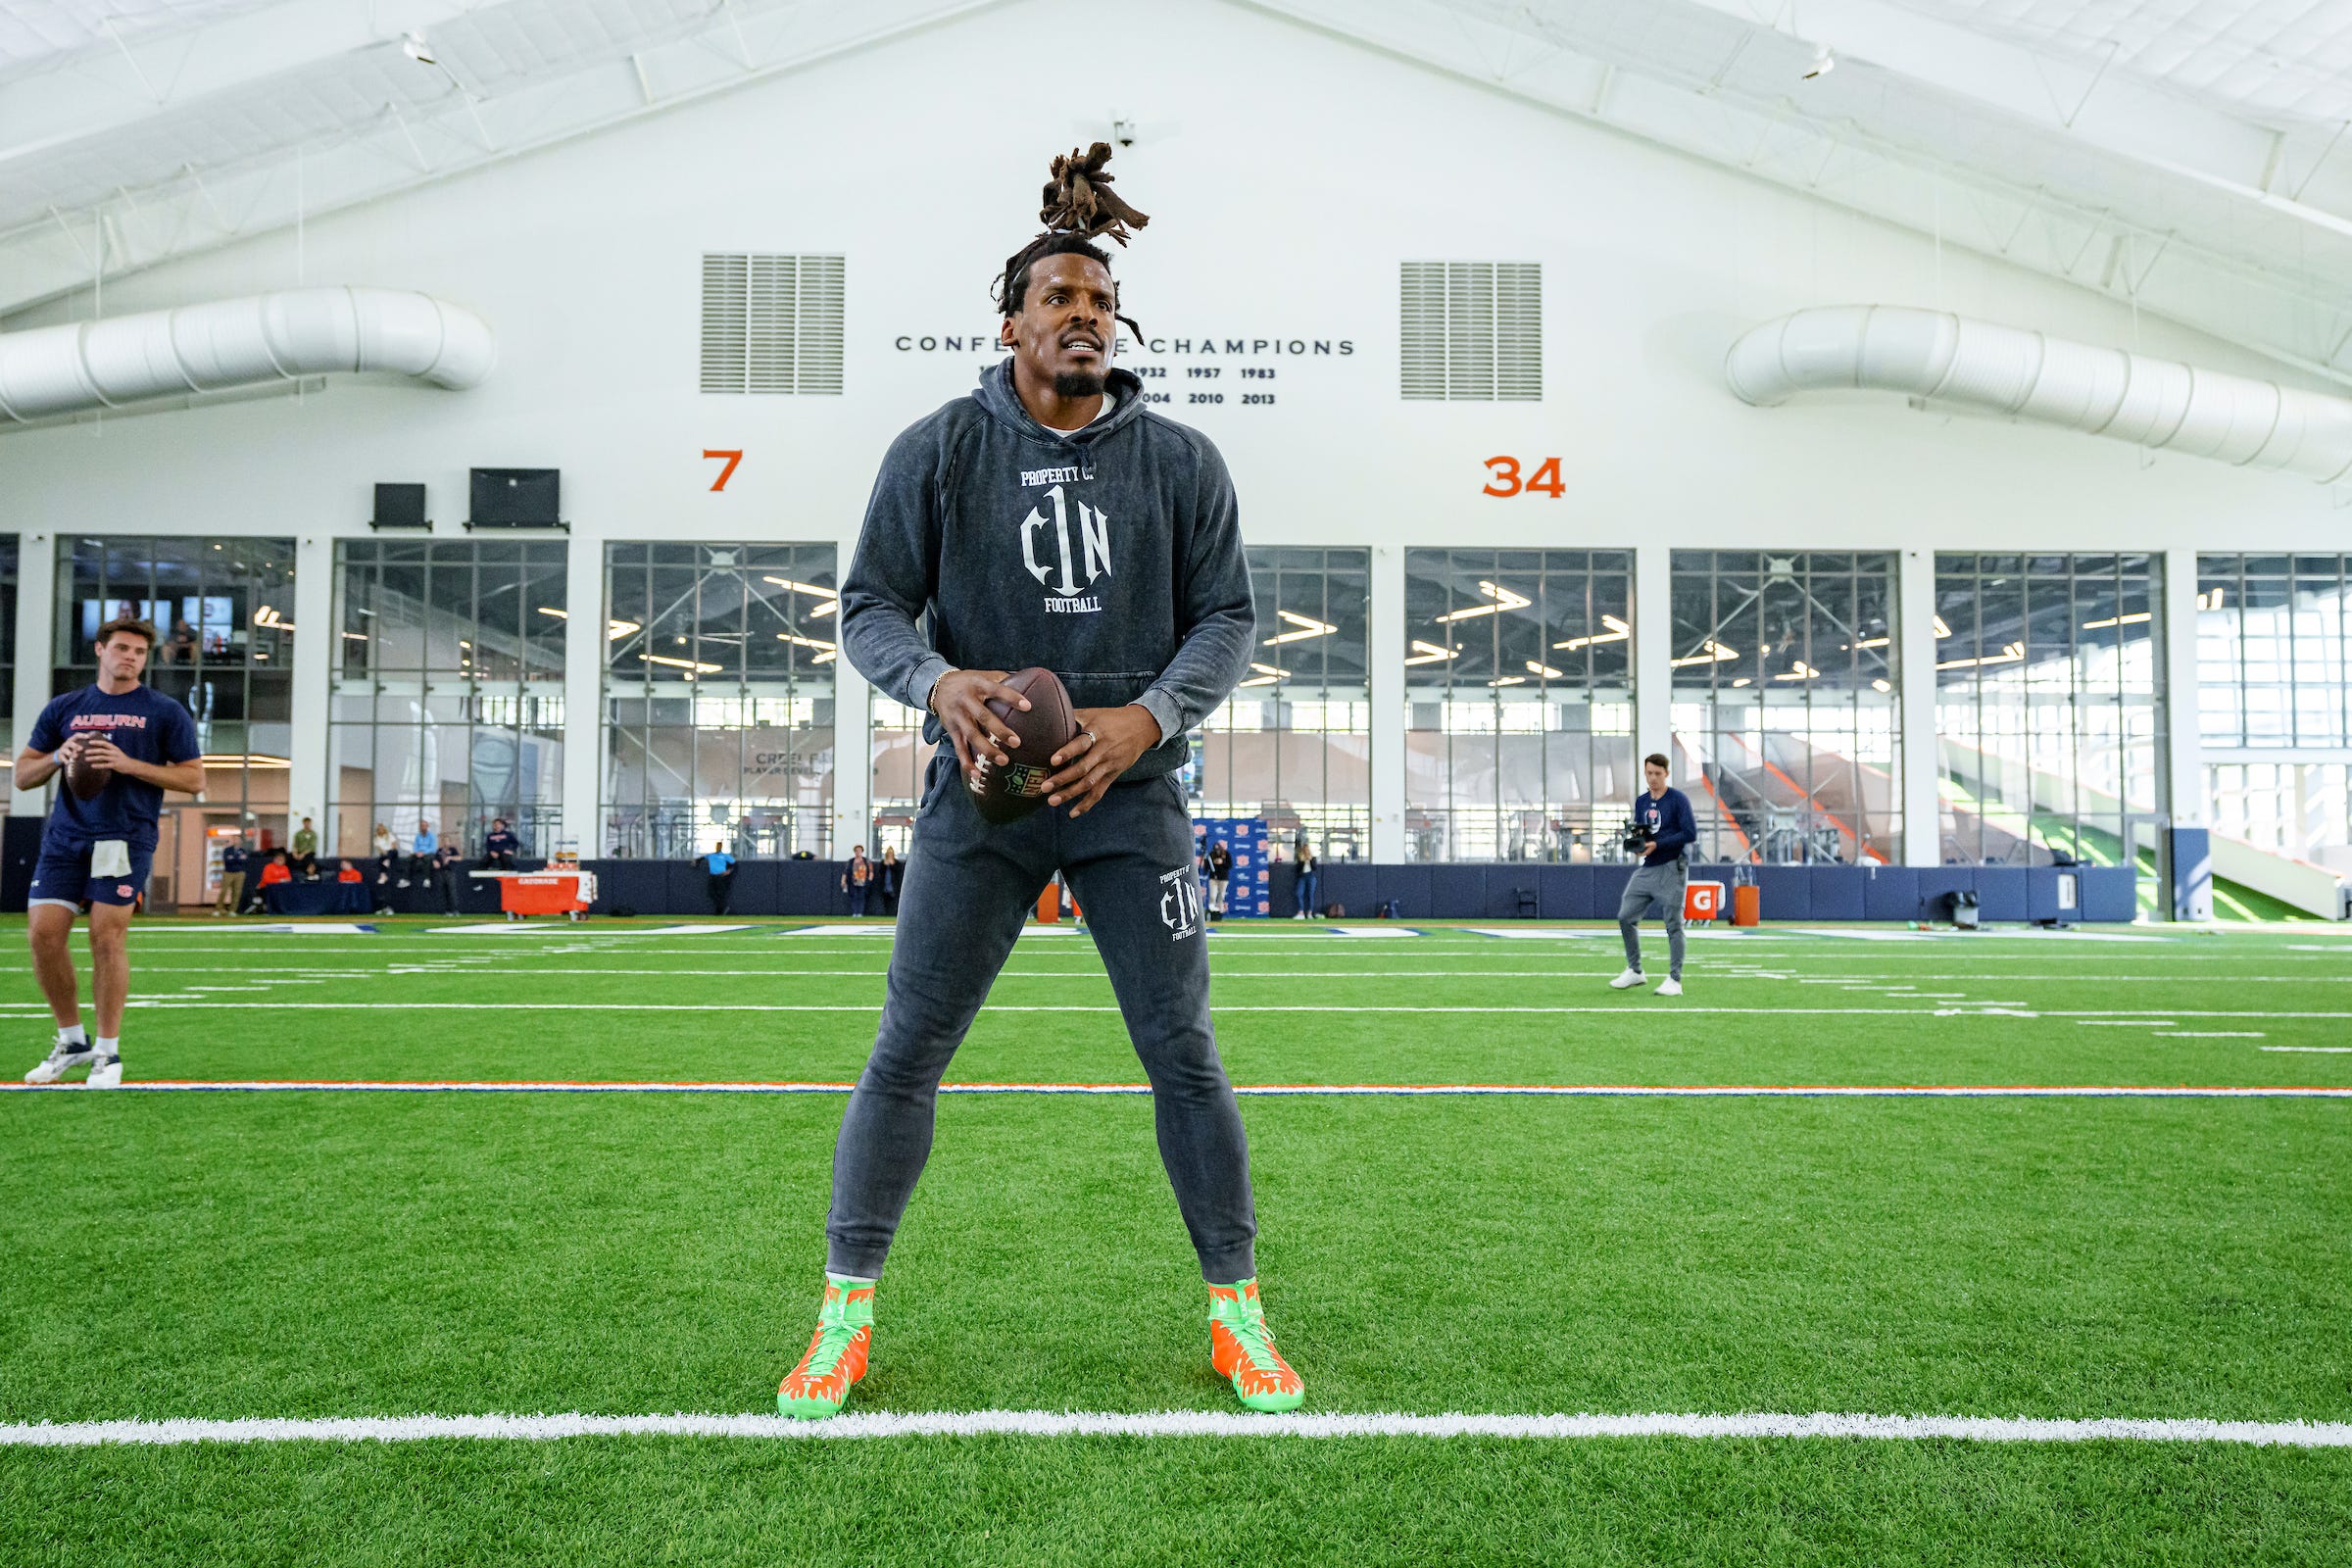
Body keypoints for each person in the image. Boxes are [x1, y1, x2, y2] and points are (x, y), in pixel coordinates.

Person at [776, 146, 1299, 1424]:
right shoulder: (940, 450)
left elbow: (1228, 619)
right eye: (1057, 297)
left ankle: (1238, 1316)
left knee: (1183, 1056)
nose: (1083, 313)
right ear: (1009, 323)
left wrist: (1149, 717)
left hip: (1131, 800)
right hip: (984, 800)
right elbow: (867, 608)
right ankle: (842, 1317)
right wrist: (935, 683)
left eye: (1099, 301)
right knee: (908, 1050)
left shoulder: (1180, 463)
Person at [17, 618, 204, 1089]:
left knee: (106, 936)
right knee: (42, 934)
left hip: (124, 836)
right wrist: (59, 757)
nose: (130, 657)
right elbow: (21, 775)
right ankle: (72, 1041)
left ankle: (107, 1051)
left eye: (139, 652)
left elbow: (194, 779)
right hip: (65, 837)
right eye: (121, 648)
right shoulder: (65, 708)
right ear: (100, 650)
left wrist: (127, 764)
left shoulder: (163, 711)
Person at [1612, 753, 1698, 998]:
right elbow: (1644, 832)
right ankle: (1635, 969)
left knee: (1673, 923)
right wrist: (1637, 843)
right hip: (1648, 867)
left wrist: (1659, 845)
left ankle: (1675, 979)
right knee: (1625, 916)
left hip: (1672, 866)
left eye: (1657, 774)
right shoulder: (1641, 801)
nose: (1653, 778)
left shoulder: (1678, 799)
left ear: (1666, 774)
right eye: (1649, 773)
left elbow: (1690, 833)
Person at [216, 835, 249, 917]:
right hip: (228, 872)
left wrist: (234, 858)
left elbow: (245, 861)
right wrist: (238, 858)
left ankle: (232, 910)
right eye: (235, 839)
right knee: (223, 891)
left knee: (237, 892)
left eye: (238, 839)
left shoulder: (243, 850)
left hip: (239, 873)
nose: (236, 841)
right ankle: (219, 909)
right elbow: (227, 860)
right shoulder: (227, 850)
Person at [702, 840, 736, 915]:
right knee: (712, 893)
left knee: (720, 893)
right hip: (713, 876)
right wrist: (695, 861)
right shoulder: (711, 855)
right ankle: (722, 907)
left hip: (721, 876)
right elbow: (702, 858)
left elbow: (734, 864)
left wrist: (729, 871)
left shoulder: (724, 856)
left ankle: (720, 910)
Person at [431, 840, 464, 915]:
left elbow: (459, 857)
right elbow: (435, 860)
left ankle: (455, 910)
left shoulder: (452, 850)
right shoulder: (439, 851)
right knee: (444, 892)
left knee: (452, 891)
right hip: (441, 872)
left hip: (450, 872)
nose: (445, 843)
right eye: (444, 841)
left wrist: (450, 858)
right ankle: (447, 910)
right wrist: (435, 862)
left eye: (447, 841)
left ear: (449, 842)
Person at [1204, 839, 1232, 923]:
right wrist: (1211, 862)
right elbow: (1207, 867)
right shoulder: (1211, 855)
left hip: (1223, 878)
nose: (1217, 851)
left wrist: (1222, 862)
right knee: (1212, 895)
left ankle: (1219, 913)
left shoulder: (1226, 854)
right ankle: (1212, 912)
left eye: (1218, 849)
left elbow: (1230, 865)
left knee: (1221, 895)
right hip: (1213, 878)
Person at [841, 844, 872, 918]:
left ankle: (860, 912)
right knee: (854, 897)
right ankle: (855, 912)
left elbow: (871, 871)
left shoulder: (866, 861)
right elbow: (845, 872)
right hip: (853, 882)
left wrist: (869, 880)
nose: (858, 852)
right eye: (856, 851)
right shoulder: (851, 861)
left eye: (859, 851)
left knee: (861, 897)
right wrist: (843, 881)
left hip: (863, 882)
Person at [1293, 838, 1319, 921]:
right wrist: (1302, 861)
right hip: (1302, 877)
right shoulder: (1300, 858)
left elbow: (1315, 868)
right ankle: (1301, 912)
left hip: (1311, 876)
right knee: (1299, 893)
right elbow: (1297, 870)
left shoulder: (1313, 858)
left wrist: (1310, 860)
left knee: (1310, 895)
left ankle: (1310, 913)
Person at [405, 820, 437, 887]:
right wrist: (417, 852)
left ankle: (427, 879)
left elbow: (433, 848)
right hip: (418, 853)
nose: (423, 827)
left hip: (428, 853)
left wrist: (423, 853)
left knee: (428, 859)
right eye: (422, 826)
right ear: (420, 827)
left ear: (428, 827)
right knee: (408, 859)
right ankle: (407, 880)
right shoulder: (418, 836)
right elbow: (415, 847)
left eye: (425, 826)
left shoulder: (432, 836)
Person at [290, 815, 318, 879]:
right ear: (303, 823)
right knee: (288, 857)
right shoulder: (298, 833)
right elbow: (295, 844)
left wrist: (302, 854)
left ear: (310, 823)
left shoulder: (313, 834)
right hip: (299, 852)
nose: (307, 824)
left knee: (308, 858)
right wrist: (295, 853)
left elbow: (311, 847)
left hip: (309, 852)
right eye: (306, 823)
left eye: (308, 823)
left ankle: (310, 875)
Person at [877, 845, 901, 916]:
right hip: (885, 883)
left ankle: (893, 913)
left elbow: (898, 872)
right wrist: (885, 865)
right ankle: (886, 913)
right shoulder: (883, 862)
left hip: (893, 884)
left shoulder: (897, 863)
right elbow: (880, 872)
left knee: (893, 900)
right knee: (885, 900)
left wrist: (892, 865)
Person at [371, 821, 398, 885]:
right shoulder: (376, 838)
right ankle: (383, 876)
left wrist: (388, 852)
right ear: (378, 830)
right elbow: (379, 848)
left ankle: (388, 860)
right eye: (379, 829)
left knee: (391, 852)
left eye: (382, 828)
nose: (381, 830)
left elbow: (394, 845)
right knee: (381, 861)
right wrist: (384, 852)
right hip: (384, 853)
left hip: (392, 852)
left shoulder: (389, 835)